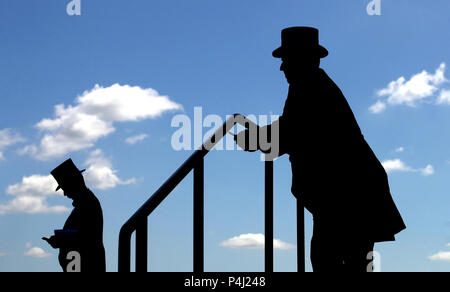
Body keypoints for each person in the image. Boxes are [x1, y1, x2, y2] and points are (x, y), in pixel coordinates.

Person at [236, 27, 406, 272]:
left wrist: (257, 139)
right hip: (350, 194)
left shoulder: (309, 86)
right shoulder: (312, 85)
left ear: (303, 58)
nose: (282, 67)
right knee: (340, 259)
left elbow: (292, 130)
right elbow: (293, 129)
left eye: (287, 59)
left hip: (348, 195)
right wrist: (260, 138)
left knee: (331, 259)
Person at [43, 158, 106, 272]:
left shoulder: (88, 205)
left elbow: (85, 238)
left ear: (74, 183)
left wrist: (60, 240)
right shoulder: (85, 204)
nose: (65, 193)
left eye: (65, 187)